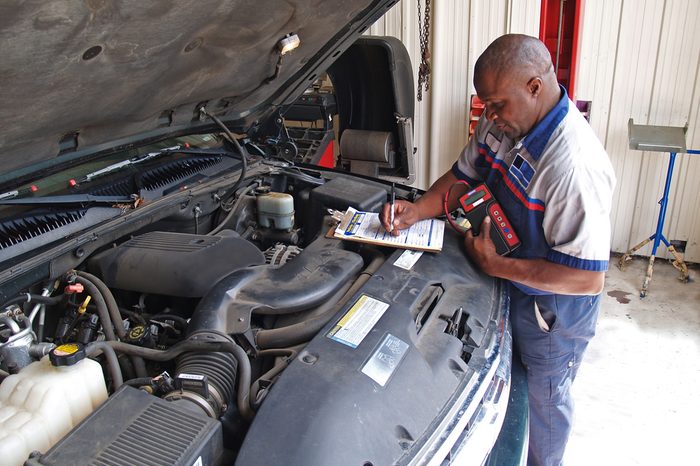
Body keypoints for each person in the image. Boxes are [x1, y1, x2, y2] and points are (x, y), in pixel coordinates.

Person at [380, 34, 616, 466]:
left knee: (545, 400)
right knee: (503, 385)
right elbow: (463, 175)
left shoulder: (573, 167)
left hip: (552, 314)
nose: (488, 116)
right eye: (484, 104)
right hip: (502, 279)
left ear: (534, 87)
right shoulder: (502, 121)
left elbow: (587, 278)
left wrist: (498, 266)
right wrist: (417, 210)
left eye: (497, 105)